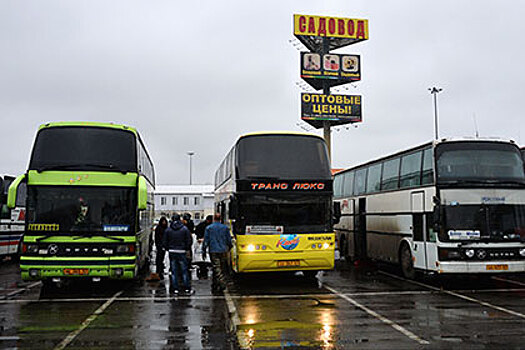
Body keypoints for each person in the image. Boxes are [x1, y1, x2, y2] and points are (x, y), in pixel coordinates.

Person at [162, 214, 194, 295]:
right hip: (182, 251)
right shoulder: (184, 229)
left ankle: (175, 288)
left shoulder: (168, 230)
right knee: (184, 270)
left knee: (174, 270)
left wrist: (167, 248)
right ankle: (187, 288)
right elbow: (189, 240)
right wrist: (186, 248)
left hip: (172, 251)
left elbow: (164, 241)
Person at [202, 213, 233, 293]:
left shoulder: (209, 228)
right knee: (222, 267)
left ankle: (221, 283)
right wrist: (229, 246)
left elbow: (206, 240)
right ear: (220, 219)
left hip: (213, 250)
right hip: (223, 250)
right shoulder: (225, 228)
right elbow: (228, 239)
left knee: (216, 267)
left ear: (213, 219)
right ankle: (218, 283)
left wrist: (204, 250)